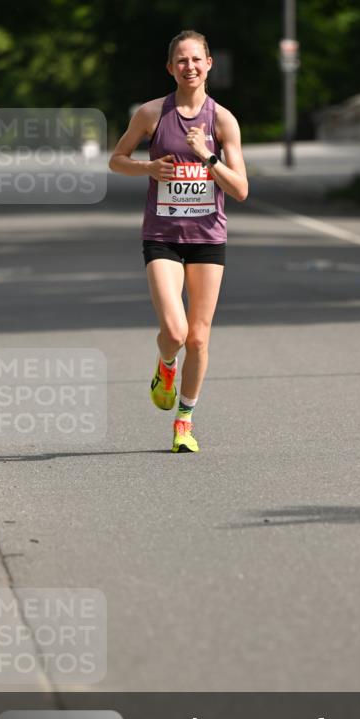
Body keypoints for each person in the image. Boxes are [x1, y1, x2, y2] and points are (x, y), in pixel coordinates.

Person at [109, 30, 248, 452]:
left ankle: (184, 423)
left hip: (207, 237)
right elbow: (116, 160)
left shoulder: (222, 120)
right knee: (174, 330)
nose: (190, 67)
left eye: (196, 60)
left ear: (210, 65)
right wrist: (149, 169)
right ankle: (165, 365)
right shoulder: (152, 114)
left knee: (199, 338)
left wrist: (207, 158)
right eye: (181, 61)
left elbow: (240, 189)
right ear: (170, 68)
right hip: (163, 235)